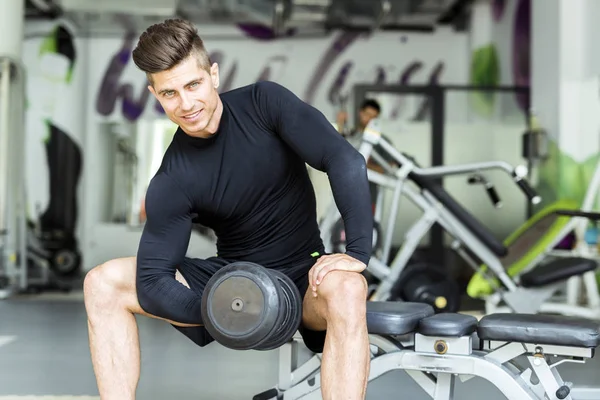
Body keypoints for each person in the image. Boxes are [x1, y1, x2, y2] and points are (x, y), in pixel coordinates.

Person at [83, 18, 374, 400]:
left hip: (305, 278)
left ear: (213, 74)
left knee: (350, 286)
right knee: (101, 283)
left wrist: (357, 253)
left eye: (193, 85)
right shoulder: (173, 178)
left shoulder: (264, 103)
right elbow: (154, 283)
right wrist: (229, 308)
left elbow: (344, 160)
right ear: (156, 95)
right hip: (231, 280)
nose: (186, 104)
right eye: (170, 94)